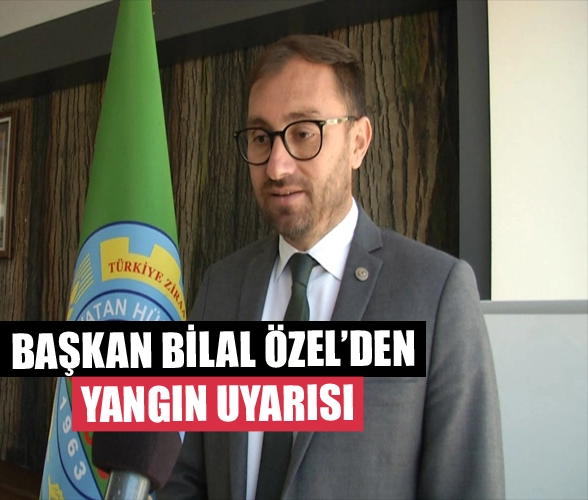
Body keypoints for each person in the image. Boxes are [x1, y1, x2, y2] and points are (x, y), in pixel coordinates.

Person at [158, 34, 504, 499]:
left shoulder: (436, 293)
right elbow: (186, 476)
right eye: (261, 138)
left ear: (358, 142)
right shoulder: (221, 287)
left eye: (303, 133)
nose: (277, 166)